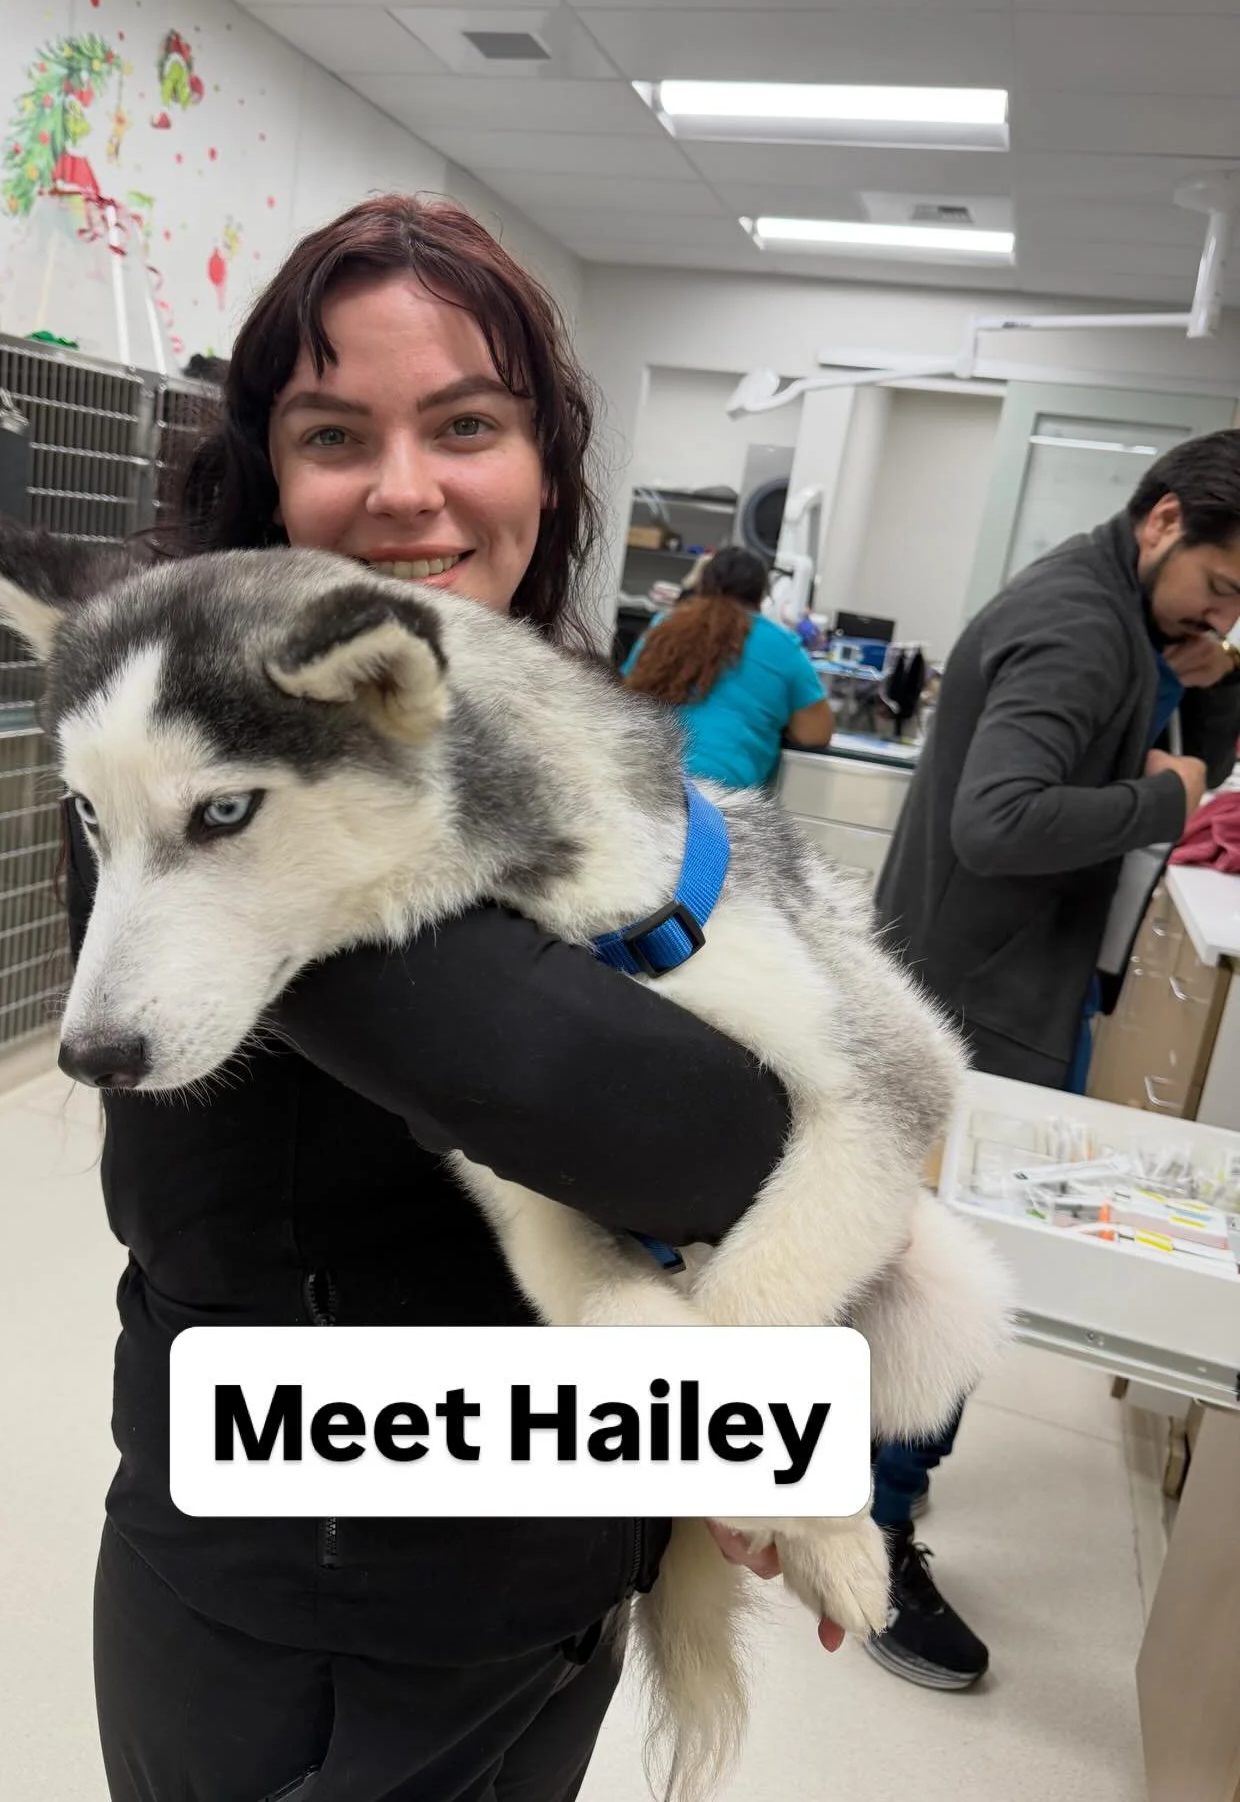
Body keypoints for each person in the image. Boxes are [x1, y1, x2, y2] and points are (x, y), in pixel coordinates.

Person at [71, 195, 841, 1802]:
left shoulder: (519, 718)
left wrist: (718, 1436)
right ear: (263, 475)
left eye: (467, 425)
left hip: (523, 1540)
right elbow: (694, 1137)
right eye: (335, 431)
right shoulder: (192, 753)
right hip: (340, 1591)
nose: (407, 489)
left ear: (545, 465)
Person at [865, 429, 1240, 1692]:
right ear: (1164, 520)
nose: (1224, 614)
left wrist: (1209, 674)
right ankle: (869, 1544)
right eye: (1224, 588)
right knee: (947, 1291)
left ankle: (861, 1501)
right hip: (973, 1009)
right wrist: (1168, 798)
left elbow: (1192, 750)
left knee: (918, 1275)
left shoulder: (1123, 618)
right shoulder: (1081, 631)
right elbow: (1001, 820)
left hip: (993, 990)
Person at [622, 545, 834, 788]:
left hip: (643, 780)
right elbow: (816, 733)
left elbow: (626, 694)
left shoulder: (664, 625)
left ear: (704, 583)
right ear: (762, 594)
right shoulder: (783, 647)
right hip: (721, 794)